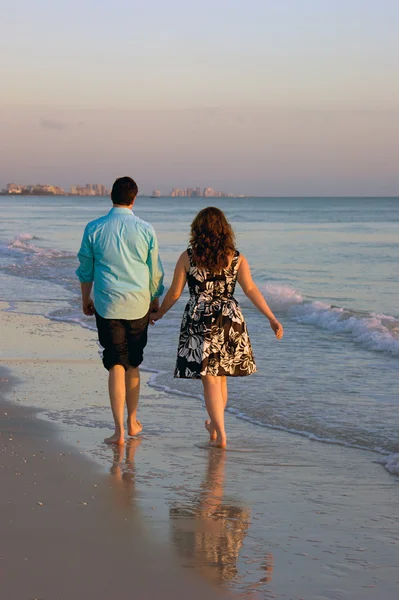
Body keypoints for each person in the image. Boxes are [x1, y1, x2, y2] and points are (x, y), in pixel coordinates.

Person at [150, 206, 283, 449]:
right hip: (229, 319)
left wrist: (159, 313)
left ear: (197, 229)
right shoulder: (236, 257)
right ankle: (214, 425)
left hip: (200, 318)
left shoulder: (188, 257)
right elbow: (250, 289)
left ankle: (221, 434)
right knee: (221, 379)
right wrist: (271, 318)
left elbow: (175, 292)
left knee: (210, 379)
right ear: (224, 230)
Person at [76, 176, 164, 445]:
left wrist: (85, 299)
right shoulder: (146, 229)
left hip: (107, 303)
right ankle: (133, 421)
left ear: (110, 197)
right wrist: (154, 302)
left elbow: (86, 269)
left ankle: (118, 432)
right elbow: (155, 271)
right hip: (137, 304)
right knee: (134, 363)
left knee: (115, 362)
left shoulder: (94, 228)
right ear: (134, 198)